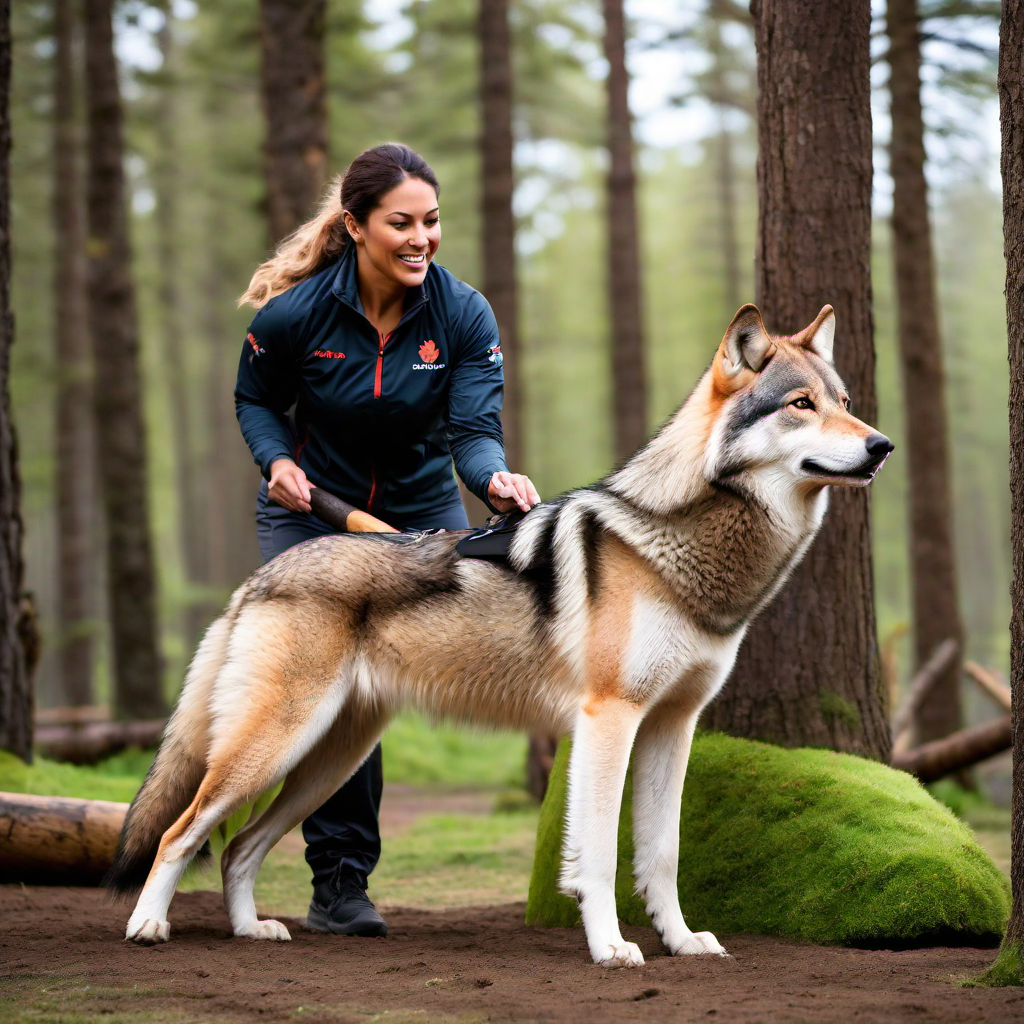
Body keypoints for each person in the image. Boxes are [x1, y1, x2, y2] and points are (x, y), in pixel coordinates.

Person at [235, 143, 539, 938]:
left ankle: (341, 878)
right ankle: (335, 880)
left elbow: (473, 430)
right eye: (400, 223)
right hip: (311, 513)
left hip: (418, 518)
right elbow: (255, 398)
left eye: (432, 222)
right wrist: (274, 461)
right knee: (327, 680)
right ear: (356, 227)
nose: (420, 238)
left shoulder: (463, 313)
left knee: (374, 689)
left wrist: (496, 480)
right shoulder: (296, 314)